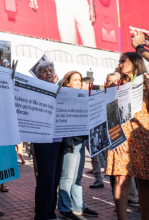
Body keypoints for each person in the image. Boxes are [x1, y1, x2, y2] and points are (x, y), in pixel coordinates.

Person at [106, 52, 149, 220]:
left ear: (135, 62)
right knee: (122, 180)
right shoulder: (115, 84)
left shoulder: (147, 81)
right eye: (119, 62)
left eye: (123, 61)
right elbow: (109, 113)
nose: (120, 65)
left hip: (143, 136)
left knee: (145, 181)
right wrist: (116, 137)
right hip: (121, 138)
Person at [57, 71, 98, 220]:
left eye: (80, 80)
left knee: (77, 177)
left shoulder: (83, 97)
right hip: (70, 142)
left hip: (80, 141)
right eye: (75, 80)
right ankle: (64, 208)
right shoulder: (63, 96)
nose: (79, 82)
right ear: (67, 82)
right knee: (67, 177)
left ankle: (78, 206)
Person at [32, 61, 64, 220]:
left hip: (59, 141)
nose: (48, 73)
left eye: (50, 70)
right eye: (44, 71)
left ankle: (51, 213)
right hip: (43, 140)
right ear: (37, 76)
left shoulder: (61, 91)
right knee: (46, 179)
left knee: (55, 179)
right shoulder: (34, 91)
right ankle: (42, 215)